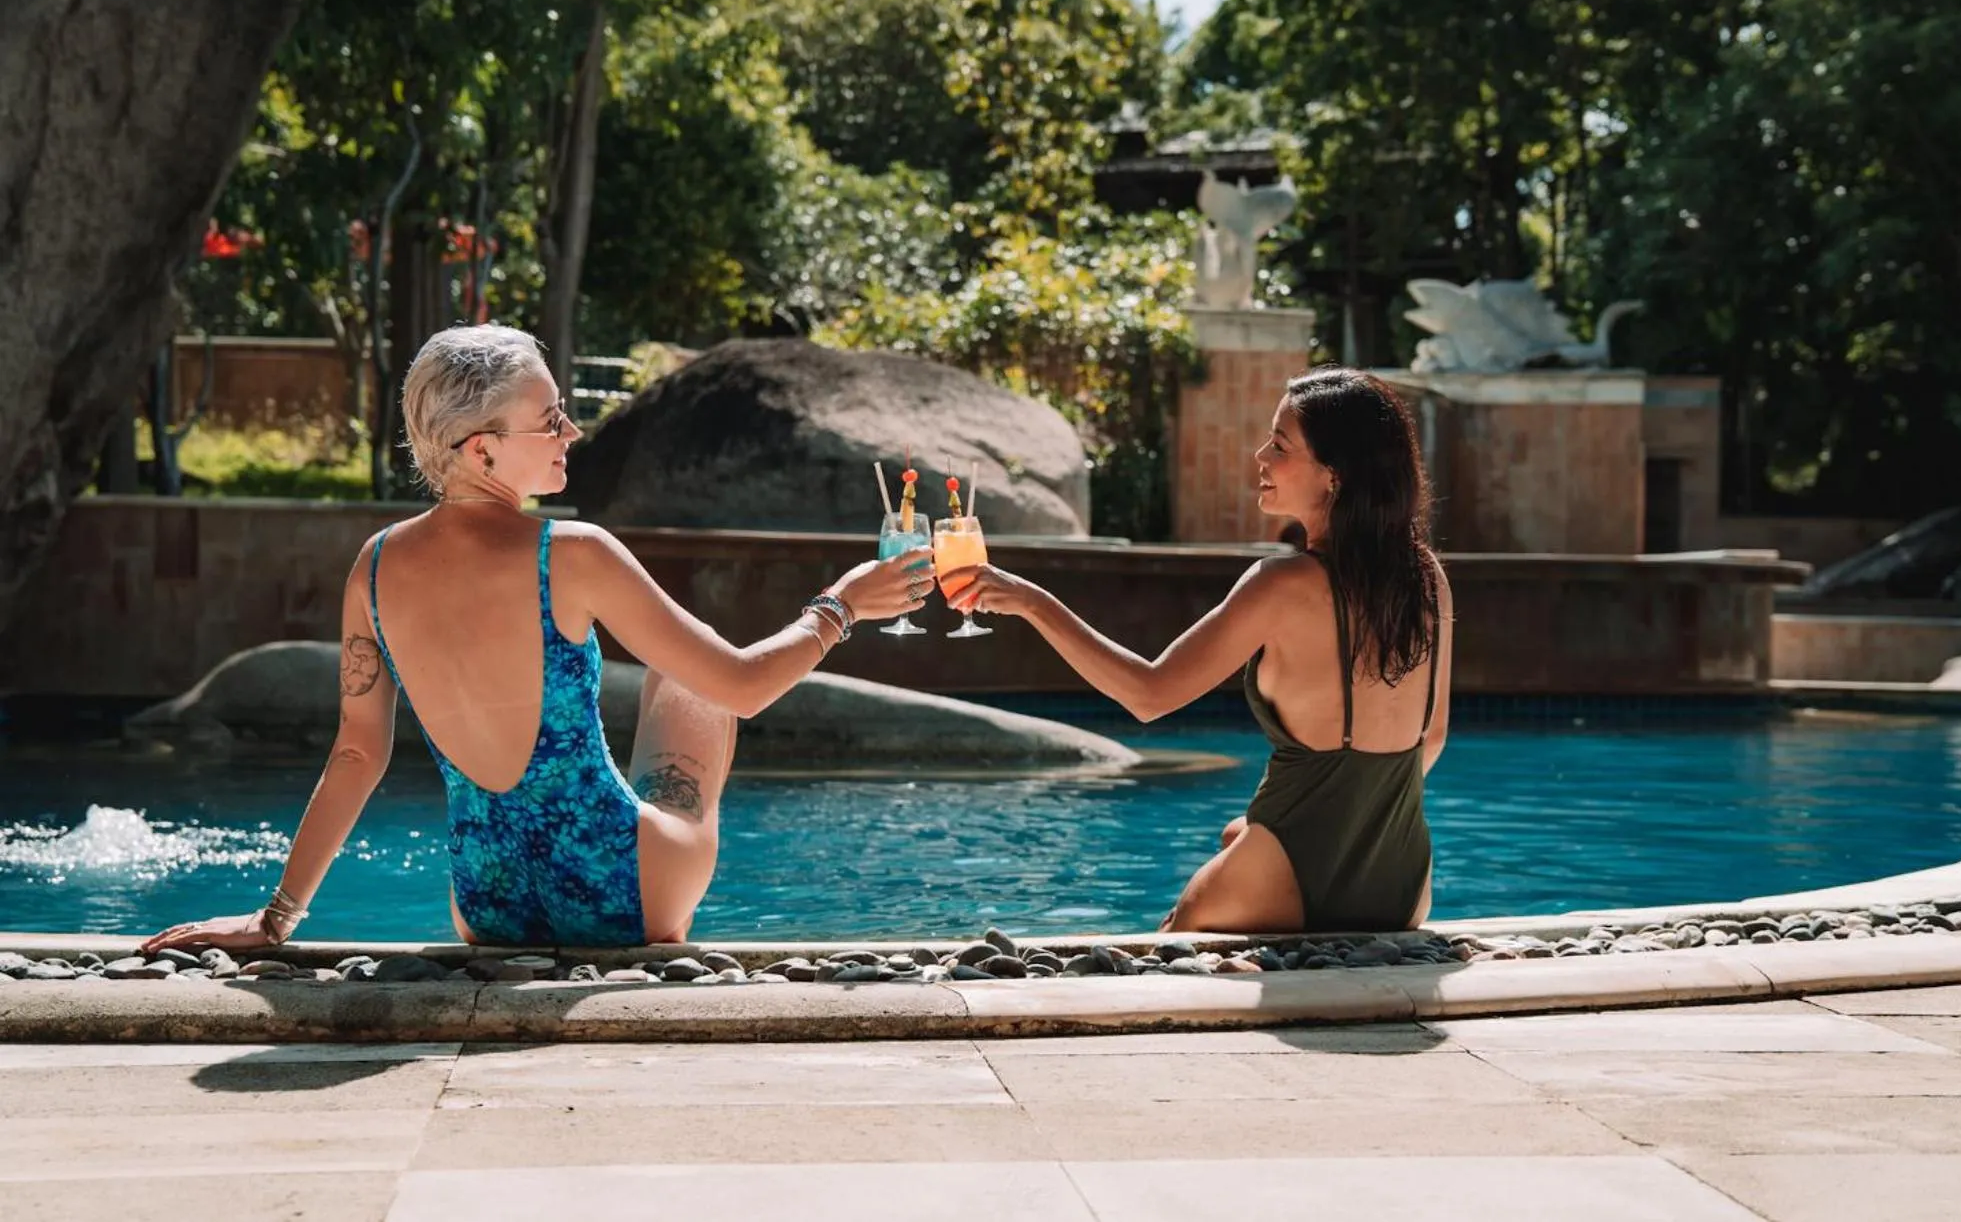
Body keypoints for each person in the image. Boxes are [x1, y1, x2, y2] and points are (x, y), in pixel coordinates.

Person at [144, 325, 931, 952]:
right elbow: (747, 684)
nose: (572, 429)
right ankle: (670, 934)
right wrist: (841, 605)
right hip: (621, 894)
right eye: (550, 417)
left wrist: (274, 919)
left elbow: (357, 754)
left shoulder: (373, 569)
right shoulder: (573, 553)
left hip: (489, 907)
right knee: (690, 679)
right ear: (481, 448)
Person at [946, 367, 1452, 933]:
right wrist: (1347, 821)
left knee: (1160, 963)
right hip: (1401, 882)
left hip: (1297, 871)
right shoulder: (1426, 577)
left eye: (1280, 445)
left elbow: (1149, 694)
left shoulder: (1280, 584)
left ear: (1334, 475)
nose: (1261, 455)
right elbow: (1429, 738)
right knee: (1237, 833)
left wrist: (1033, 602)